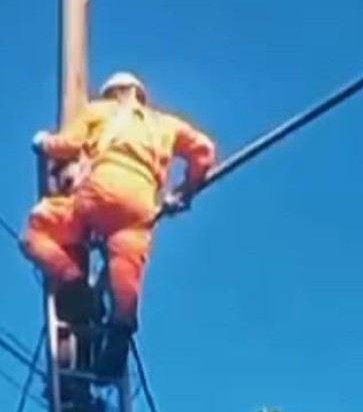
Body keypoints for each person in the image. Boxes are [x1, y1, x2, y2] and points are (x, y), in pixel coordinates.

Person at [20, 71, 216, 376]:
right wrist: (184, 189)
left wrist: (43, 143)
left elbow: (67, 144)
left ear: (114, 93)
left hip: (100, 191)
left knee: (36, 233)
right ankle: (121, 329)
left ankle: (74, 284)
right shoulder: (165, 124)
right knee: (126, 269)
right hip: (139, 205)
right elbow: (203, 151)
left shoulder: (99, 111)